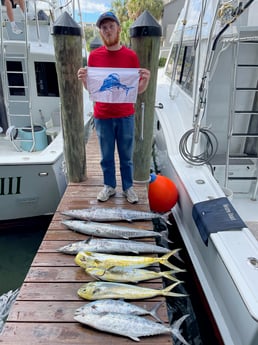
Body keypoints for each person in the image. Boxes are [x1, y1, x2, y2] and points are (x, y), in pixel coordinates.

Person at [78, 11, 150, 204]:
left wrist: (146, 81)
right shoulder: (93, 57)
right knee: (106, 156)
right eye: (103, 28)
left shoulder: (131, 57)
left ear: (118, 28)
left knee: (127, 157)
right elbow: (93, 90)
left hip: (126, 115)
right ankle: (109, 186)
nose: (107, 30)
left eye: (111, 26)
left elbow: (137, 91)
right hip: (102, 116)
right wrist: (85, 80)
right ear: (100, 32)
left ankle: (128, 187)